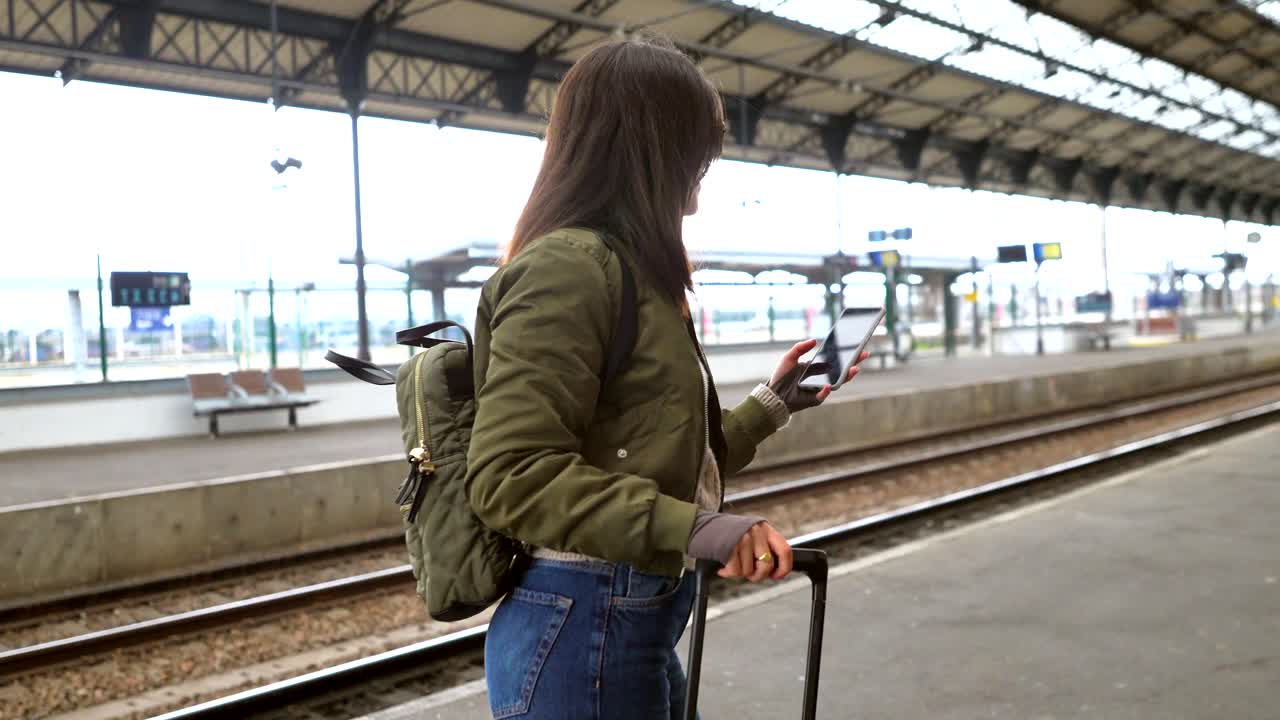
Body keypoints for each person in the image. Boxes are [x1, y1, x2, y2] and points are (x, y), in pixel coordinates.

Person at [465, 35, 867, 720]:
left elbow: (663, 455)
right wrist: (700, 530)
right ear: (647, 154)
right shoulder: (569, 270)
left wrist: (775, 402)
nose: (695, 198)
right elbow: (511, 475)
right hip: (582, 629)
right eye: (694, 165)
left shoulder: (631, 275)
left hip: (624, 626)